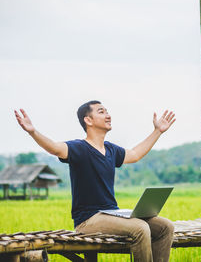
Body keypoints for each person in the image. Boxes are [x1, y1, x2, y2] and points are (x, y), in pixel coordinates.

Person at [14, 100, 176, 262]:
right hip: (88, 220)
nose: (108, 115)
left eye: (107, 111)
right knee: (140, 228)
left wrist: (158, 131)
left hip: (112, 214)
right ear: (88, 120)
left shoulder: (111, 150)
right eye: (101, 111)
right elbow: (54, 148)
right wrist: (33, 132)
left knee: (165, 227)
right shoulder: (79, 148)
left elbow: (134, 154)